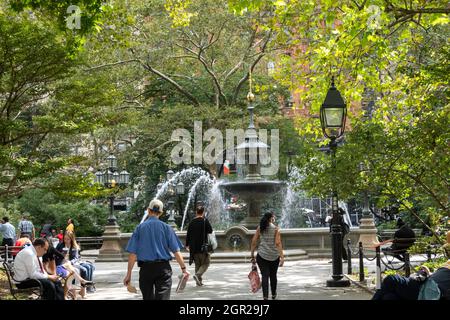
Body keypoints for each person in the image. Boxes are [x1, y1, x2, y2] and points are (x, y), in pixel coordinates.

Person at [123, 199, 189, 300]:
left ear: (148, 210)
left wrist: (128, 274)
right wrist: (184, 269)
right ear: (161, 213)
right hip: (163, 269)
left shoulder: (139, 228)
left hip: (146, 269)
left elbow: (132, 253)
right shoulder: (167, 228)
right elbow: (176, 251)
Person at [250, 212, 284, 300]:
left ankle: (265, 297)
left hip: (262, 256)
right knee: (273, 275)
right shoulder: (276, 229)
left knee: (265, 275)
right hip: (274, 256)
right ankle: (273, 294)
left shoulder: (260, 228)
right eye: (273, 217)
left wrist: (252, 255)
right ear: (271, 218)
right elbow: (278, 243)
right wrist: (282, 257)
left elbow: (254, 242)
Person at [372, 262, 450, 300]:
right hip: (424, 283)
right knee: (389, 297)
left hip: (429, 290)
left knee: (391, 279)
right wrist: (428, 273)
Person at [185, 206, 213, 286]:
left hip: (194, 247)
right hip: (203, 247)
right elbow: (210, 230)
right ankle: (197, 275)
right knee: (206, 263)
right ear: (203, 212)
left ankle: (198, 282)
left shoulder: (192, 222)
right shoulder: (204, 221)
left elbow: (188, 235)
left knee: (197, 264)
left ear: (196, 212)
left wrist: (187, 245)